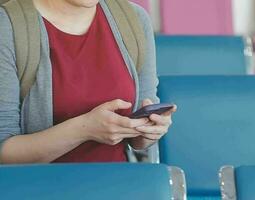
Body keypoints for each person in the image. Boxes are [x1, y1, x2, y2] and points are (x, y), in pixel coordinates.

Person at [0, 0, 176, 164]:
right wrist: (84, 130)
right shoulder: (7, 26)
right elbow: (3, 151)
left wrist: (149, 131)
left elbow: (139, 142)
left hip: (119, 185)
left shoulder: (134, 19)